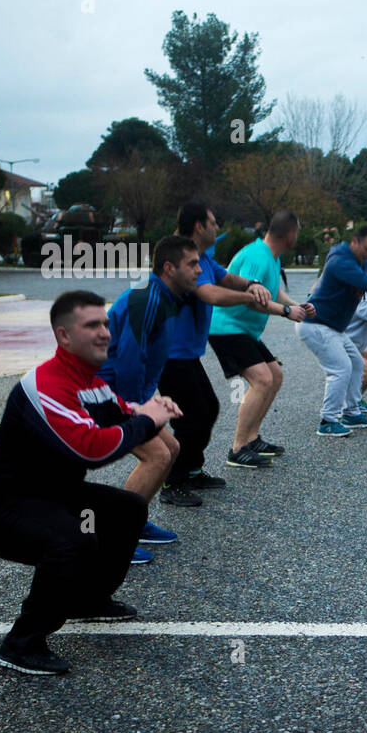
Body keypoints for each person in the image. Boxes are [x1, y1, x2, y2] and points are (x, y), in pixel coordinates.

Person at [0, 290, 181, 675]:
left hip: (53, 496)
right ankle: (21, 643)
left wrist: (150, 410)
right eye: (92, 325)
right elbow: (90, 450)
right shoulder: (46, 385)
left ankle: (89, 601)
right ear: (64, 336)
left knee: (127, 510)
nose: (104, 333)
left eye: (106, 324)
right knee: (73, 539)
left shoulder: (90, 381)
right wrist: (147, 420)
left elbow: (118, 412)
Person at [159, 202, 272, 507]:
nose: (217, 227)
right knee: (191, 415)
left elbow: (226, 278)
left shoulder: (203, 258)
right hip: (168, 353)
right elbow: (209, 292)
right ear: (198, 226)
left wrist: (251, 282)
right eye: (212, 222)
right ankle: (173, 482)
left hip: (186, 354)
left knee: (207, 408)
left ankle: (192, 470)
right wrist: (248, 297)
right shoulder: (183, 259)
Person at [96, 235, 200, 554]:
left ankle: (134, 522)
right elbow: (128, 360)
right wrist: (135, 410)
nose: (199, 270)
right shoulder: (148, 299)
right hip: (104, 395)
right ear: (169, 267)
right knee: (157, 456)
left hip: (125, 395)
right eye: (192, 264)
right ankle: (113, 536)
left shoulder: (166, 297)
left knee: (172, 447)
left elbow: (146, 360)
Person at [207, 211, 315, 469]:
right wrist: (286, 312)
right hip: (226, 328)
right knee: (262, 379)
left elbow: (272, 289)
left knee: (275, 375)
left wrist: (294, 304)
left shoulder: (271, 256)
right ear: (289, 234)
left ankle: (252, 439)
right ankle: (238, 448)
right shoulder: (257, 257)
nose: (297, 236)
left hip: (243, 330)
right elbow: (252, 297)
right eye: (297, 232)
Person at [300, 226, 367, 434]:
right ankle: (328, 421)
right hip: (316, 325)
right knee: (340, 369)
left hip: (332, 328)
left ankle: (351, 413)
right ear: (354, 241)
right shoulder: (340, 262)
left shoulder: (358, 260)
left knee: (355, 363)